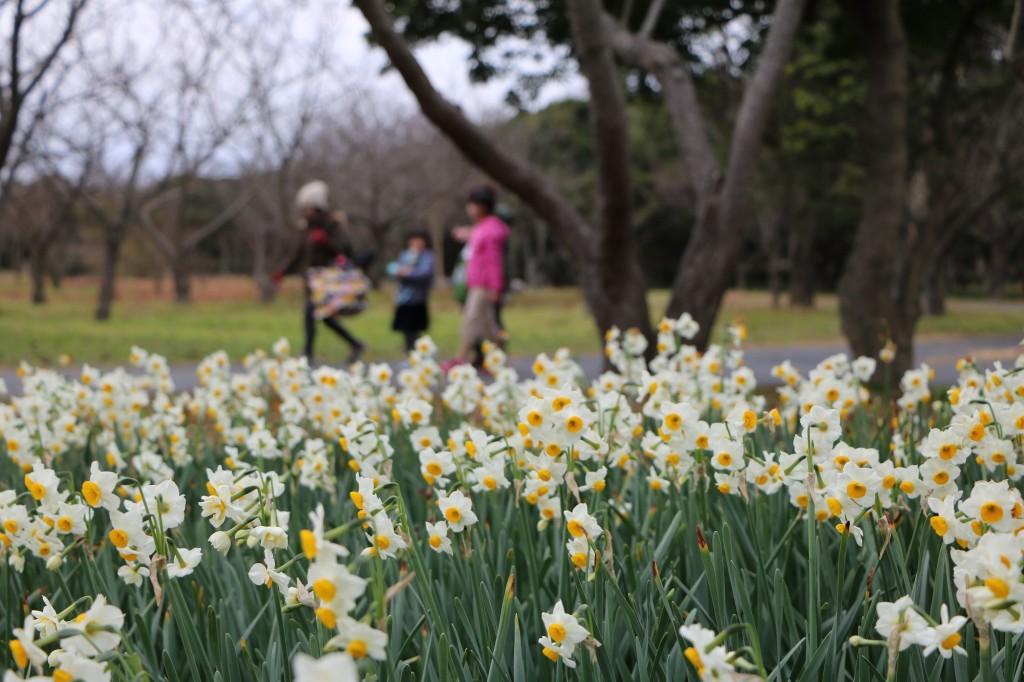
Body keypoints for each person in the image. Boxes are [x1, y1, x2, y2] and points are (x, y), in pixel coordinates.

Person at [277, 180, 366, 365]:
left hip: (328, 279)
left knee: (312, 313)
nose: (306, 210)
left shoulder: (331, 225)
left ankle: (308, 353)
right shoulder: (306, 227)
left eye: (308, 207)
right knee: (323, 317)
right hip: (311, 278)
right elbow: (298, 253)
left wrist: (326, 241)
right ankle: (355, 344)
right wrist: (282, 271)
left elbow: (343, 250)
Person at [446, 185, 509, 369]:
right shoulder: (482, 227)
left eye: (471, 205)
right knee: (487, 324)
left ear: (482, 206)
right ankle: (501, 358)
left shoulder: (490, 230)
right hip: (477, 282)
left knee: (472, 317)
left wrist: (496, 287)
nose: (469, 209)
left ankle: (461, 356)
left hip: (484, 284)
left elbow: (493, 261)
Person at [387, 229, 435, 354]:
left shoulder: (427, 256)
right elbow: (394, 270)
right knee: (405, 330)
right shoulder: (404, 255)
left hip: (418, 299)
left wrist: (407, 272)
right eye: (414, 240)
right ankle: (410, 353)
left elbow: (425, 273)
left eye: (419, 240)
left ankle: (420, 353)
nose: (416, 243)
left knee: (415, 329)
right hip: (403, 299)